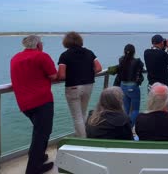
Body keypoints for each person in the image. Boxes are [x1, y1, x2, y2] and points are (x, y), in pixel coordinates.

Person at [10, 35, 57, 174]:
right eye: (41, 43)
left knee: (38, 132)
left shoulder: (15, 58)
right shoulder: (41, 56)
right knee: (42, 133)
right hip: (42, 101)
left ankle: (38, 157)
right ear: (38, 45)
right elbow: (54, 76)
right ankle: (33, 169)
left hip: (24, 103)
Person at [57, 31, 103, 138]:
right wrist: (87, 72)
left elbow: (62, 75)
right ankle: (85, 134)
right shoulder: (89, 53)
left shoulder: (64, 55)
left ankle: (83, 140)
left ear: (66, 42)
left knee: (77, 116)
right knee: (83, 112)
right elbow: (99, 68)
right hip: (88, 85)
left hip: (73, 87)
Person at [117, 44, 144, 128]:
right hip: (133, 87)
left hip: (123, 86)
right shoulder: (137, 61)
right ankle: (129, 127)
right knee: (135, 110)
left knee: (126, 109)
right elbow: (141, 66)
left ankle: (124, 127)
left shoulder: (121, 60)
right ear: (134, 52)